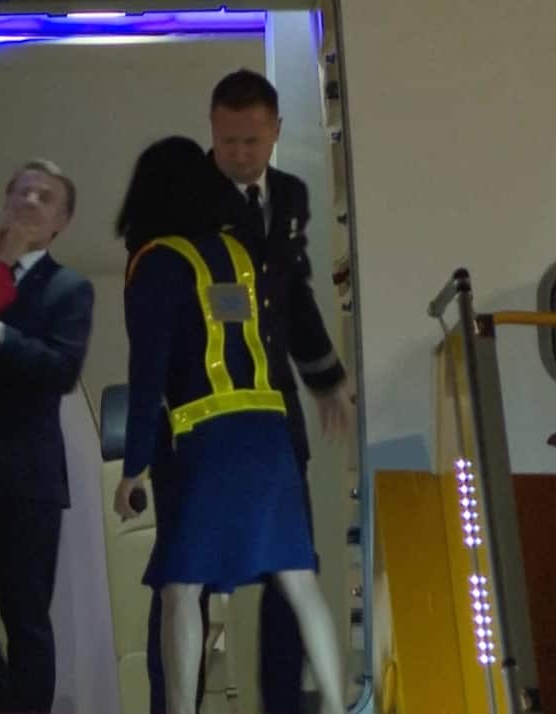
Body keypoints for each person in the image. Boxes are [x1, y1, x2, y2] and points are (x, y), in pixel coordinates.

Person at [144, 69, 354, 714]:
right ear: (212, 131)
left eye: (252, 140)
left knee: (293, 565)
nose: (239, 153)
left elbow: (294, 296)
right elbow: (160, 297)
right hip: (197, 405)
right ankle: (173, 703)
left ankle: (287, 702)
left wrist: (325, 380)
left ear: (275, 133)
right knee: (183, 573)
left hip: (271, 405)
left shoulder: (288, 196)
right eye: (229, 139)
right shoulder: (183, 196)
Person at [0, 159, 95, 714]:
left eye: (45, 197)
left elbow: (59, 371)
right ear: (4, 203)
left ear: (61, 223)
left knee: (26, 618)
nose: (30, 203)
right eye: (22, 193)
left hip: (27, 478)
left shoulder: (69, 288)